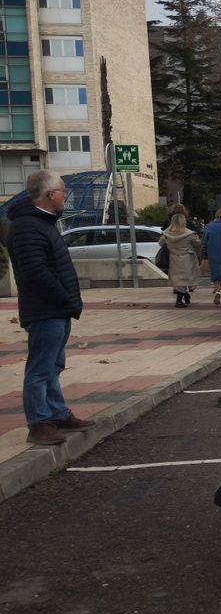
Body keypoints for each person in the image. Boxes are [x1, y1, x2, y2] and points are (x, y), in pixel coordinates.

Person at [7, 170, 95, 446]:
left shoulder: (42, 223)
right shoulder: (27, 227)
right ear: (50, 194)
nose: (65, 195)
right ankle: (39, 423)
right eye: (62, 191)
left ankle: (57, 414)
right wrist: (64, 298)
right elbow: (35, 272)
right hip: (45, 310)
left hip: (55, 309)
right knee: (40, 369)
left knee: (53, 366)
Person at [160, 210, 206, 307]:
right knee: (185, 278)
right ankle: (180, 300)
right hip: (187, 258)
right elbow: (198, 244)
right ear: (182, 222)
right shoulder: (189, 234)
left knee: (178, 280)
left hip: (174, 258)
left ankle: (184, 295)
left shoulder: (167, 234)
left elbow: (160, 243)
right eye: (184, 220)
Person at [203, 208, 221, 304]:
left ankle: (217, 291)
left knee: (216, 274)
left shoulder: (209, 226)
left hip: (213, 253)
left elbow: (204, 242)